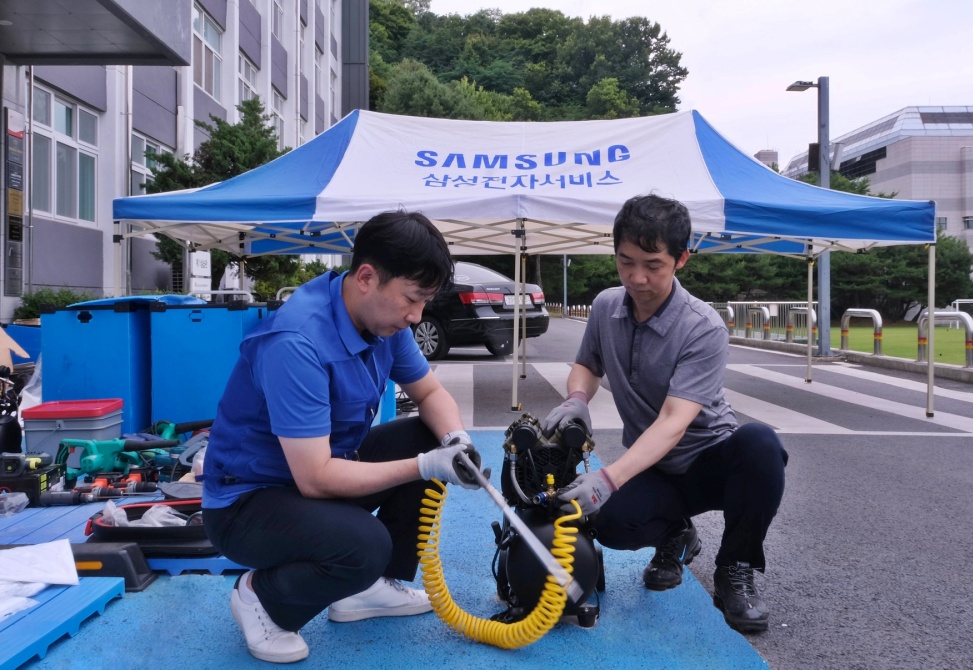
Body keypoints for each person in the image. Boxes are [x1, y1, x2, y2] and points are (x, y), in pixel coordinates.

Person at [201, 211, 484, 664]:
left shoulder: (382, 321)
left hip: (313, 476)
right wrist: (426, 466)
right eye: (412, 299)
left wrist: (456, 439)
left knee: (425, 434)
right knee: (364, 544)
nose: (417, 316)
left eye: (424, 302)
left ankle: (367, 590)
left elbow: (429, 391)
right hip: (247, 504)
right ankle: (260, 597)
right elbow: (315, 478)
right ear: (368, 277)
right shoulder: (296, 341)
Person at [543, 194, 787, 633]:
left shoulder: (702, 326)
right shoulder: (604, 308)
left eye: (653, 265)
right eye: (625, 262)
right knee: (612, 526)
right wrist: (576, 399)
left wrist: (608, 478)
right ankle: (675, 534)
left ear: (682, 259)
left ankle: (735, 569)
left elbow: (675, 420)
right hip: (654, 466)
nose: (637, 278)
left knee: (762, 445)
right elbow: (587, 365)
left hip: (710, 460)